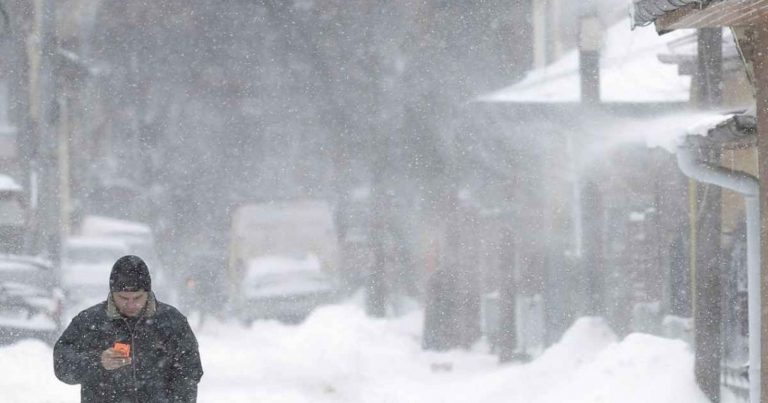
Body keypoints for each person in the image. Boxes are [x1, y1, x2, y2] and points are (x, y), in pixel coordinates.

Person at [54, 255, 203, 402]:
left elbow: (190, 372)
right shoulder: (90, 322)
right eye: (123, 298)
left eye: (137, 298)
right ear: (112, 294)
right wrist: (98, 362)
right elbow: (62, 365)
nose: (131, 304)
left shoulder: (171, 321)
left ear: (148, 293)